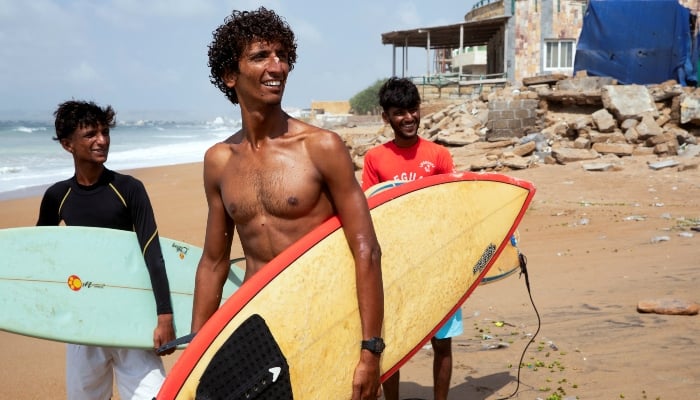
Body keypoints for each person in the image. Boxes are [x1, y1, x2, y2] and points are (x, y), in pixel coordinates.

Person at [190, 7, 384, 400]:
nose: (276, 66)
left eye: (282, 55)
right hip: (260, 322)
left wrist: (370, 349)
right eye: (261, 56)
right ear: (230, 75)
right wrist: (196, 350)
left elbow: (366, 249)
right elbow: (214, 261)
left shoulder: (321, 147)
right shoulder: (218, 161)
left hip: (326, 317)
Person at [36, 100, 176, 400]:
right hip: (83, 321)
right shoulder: (58, 196)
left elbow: (152, 252)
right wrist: (46, 312)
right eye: (90, 135)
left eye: (104, 132)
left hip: (130, 314)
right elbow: (42, 255)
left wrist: (165, 316)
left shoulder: (128, 189)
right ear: (67, 144)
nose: (101, 140)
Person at [361, 77, 461, 400]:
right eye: (399, 112)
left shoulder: (439, 155)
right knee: (390, 344)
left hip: (437, 261)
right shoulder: (375, 159)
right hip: (395, 266)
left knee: (442, 342)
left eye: (413, 110)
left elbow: (452, 207)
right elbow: (371, 211)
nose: (408, 118)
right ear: (386, 117)